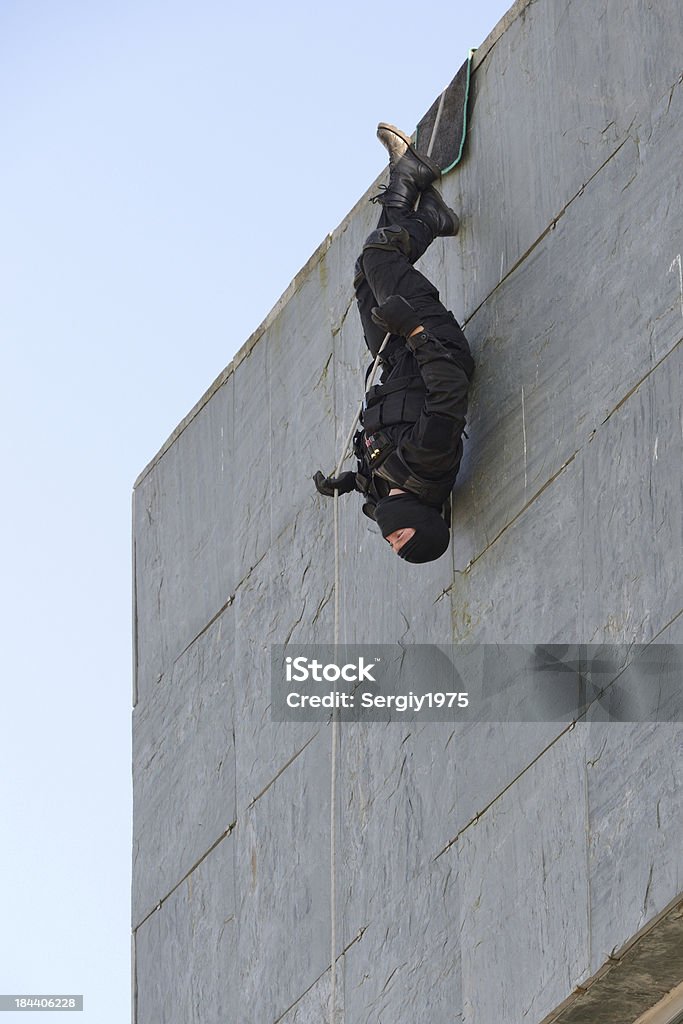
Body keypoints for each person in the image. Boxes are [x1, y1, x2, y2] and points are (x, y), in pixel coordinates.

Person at [314, 123, 474, 564]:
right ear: (421, 524)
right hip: (431, 343)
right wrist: (416, 330)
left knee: (367, 279)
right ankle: (422, 210)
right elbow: (448, 393)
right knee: (379, 258)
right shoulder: (429, 462)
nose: (389, 538)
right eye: (400, 538)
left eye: (391, 545)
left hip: (397, 356)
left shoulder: (393, 489)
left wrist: (350, 481)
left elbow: (382, 463)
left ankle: (411, 187)